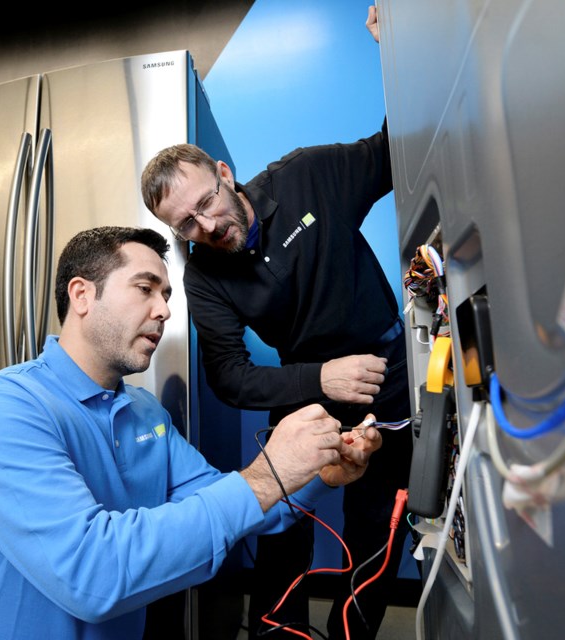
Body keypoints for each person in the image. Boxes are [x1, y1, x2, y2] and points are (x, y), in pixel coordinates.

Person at [0, 226, 382, 639]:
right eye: (145, 288)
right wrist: (268, 474)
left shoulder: (144, 411)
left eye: (166, 294)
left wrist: (317, 475)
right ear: (82, 294)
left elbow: (242, 504)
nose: (165, 310)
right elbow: (92, 575)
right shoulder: (4, 408)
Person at [140, 8, 411, 638]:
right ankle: (275, 634)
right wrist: (323, 380)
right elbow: (230, 379)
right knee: (281, 523)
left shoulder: (307, 177)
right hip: (308, 392)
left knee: (378, 528)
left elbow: (395, 150)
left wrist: (393, 50)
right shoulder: (203, 275)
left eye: (205, 201)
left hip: (391, 374)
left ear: (225, 177)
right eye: (185, 223)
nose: (205, 226)